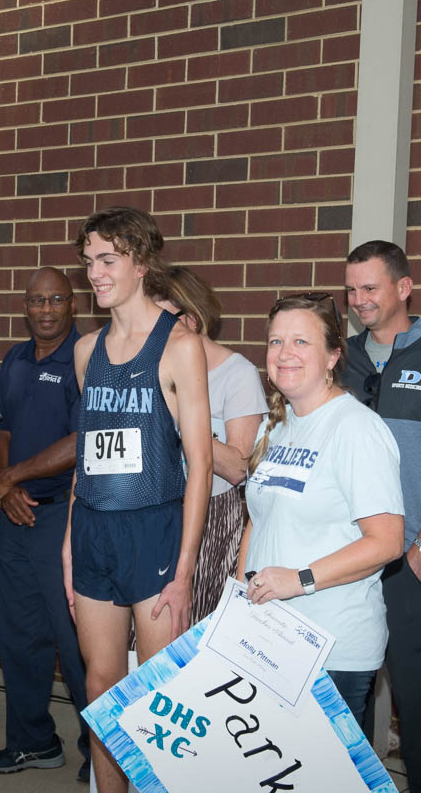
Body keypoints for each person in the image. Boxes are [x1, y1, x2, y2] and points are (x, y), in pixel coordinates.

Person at [68, 206, 212, 793]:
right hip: (93, 533)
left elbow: (200, 466)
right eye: (89, 262)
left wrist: (184, 571)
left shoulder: (179, 346)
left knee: (158, 697)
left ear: (142, 263)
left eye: (108, 260)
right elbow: (86, 460)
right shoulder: (85, 352)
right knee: (102, 688)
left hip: (154, 532)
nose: (95, 274)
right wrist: (67, 551)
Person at [239, 293, 405, 733]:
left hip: (331, 650)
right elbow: (259, 518)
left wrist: (299, 579)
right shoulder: (273, 424)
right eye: (275, 342)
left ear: (333, 355)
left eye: (300, 342)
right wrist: (239, 599)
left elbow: (387, 542)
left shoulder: (357, 430)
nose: (284, 354)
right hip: (269, 638)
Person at [342, 239, 421, 793]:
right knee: (347, 696)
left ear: (403, 288)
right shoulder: (337, 358)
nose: (359, 300)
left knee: (416, 701)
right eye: (351, 290)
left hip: (411, 559)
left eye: (370, 288)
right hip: (342, 556)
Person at [0, 267, 91, 780]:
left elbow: (82, 441)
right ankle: (32, 741)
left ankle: (101, 753)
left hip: (63, 515)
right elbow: (0, 428)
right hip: (17, 511)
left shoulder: (87, 357)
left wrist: (10, 479)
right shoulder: (16, 359)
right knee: (21, 635)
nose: (45, 310)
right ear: (24, 306)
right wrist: (6, 487)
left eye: (55, 300)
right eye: (35, 301)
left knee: (75, 642)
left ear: (72, 304)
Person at [154, 266, 266, 622]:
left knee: (191, 630)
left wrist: (180, 416)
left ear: (190, 320)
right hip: (157, 511)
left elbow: (238, 467)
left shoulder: (237, 374)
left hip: (213, 520)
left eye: (158, 321)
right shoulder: (149, 369)